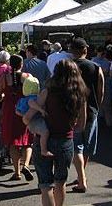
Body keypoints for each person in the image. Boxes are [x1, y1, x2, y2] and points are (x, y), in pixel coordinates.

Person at [23, 59, 87, 206]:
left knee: (45, 186)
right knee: (60, 182)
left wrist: (34, 125)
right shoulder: (80, 96)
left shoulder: (47, 92)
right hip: (65, 140)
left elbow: (27, 118)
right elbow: (81, 125)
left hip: (43, 140)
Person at [70, 37, 105, 193]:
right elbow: (101, 90)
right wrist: (97, 105)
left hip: (72, 111)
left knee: (77, 146)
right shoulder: (96, 67)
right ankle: (81, 176)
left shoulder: (69, 67)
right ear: (85, 50)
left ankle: (81, 178)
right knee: (87, 146)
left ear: (72, 51)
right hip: (91, 110)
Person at [0, 54, 36, 181]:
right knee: (27, 140)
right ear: (22, 64)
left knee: (12, 142)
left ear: (9, 64)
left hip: (9, 111)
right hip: (24, 110)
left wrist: (3, 96)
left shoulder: (4, 78)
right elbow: (34, 93)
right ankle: (27, 165)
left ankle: (17, 172)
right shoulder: (28, 77)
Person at [16, 74, 51, 157]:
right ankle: (44, 150)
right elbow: (31, 103)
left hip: (29, 121)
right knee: (45, 132)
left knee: (39, 133)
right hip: (35, 119)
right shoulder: (33, 98)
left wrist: (24, 115)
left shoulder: (22, 99)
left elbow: (17, 111)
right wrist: (41, 110)